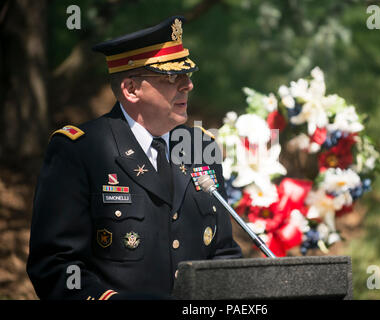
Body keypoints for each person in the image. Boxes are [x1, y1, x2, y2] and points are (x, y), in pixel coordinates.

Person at [27, 15, 242, 300]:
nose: (187, 85)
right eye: (171, 76)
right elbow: (56, 266)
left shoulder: (199, 146)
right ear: (131, 89)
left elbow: (223, 252)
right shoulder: (80, 150)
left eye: (187, 74)